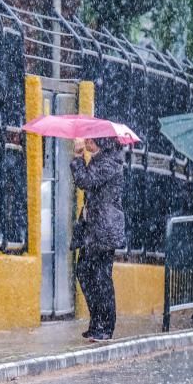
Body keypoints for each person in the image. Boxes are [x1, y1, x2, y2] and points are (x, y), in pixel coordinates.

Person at [71, 136, 125, 341]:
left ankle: (106, 326)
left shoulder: (110, 161)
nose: (86, 141)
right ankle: (97, 321)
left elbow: (85, 181)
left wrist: (77, 157)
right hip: (93, 229)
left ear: (102, 142)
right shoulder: (99, 159)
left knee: (101, 278)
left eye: (91, 140)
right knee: (84, 272)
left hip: (104, 229)